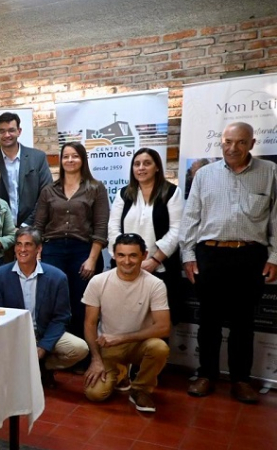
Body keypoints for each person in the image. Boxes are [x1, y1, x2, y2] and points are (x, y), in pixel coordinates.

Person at [180, 121, 277, 404]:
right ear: (220, 142)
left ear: (251, 143)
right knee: (208, 321)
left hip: (250, 257)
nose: (233, 148)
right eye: (227, 141)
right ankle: (206, 375)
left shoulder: (270, 173)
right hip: (210, 255)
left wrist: (274, 257)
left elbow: (275, 219)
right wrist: (187, 256)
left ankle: (241, 380)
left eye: (240, 142)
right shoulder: (204, 174)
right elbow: (191, 217)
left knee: (243, 323)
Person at [0, 228, 89, 387]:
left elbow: (61, 317)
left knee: (79, 349)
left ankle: (44, 366)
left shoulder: (57, 277)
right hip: (15, 334)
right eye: (19, 244)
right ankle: (27, 368)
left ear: (39, 248)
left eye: (28, 245)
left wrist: (43, 348)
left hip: (45, 333)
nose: (22, 249)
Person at [81, 233, 171, 412]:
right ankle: (121, 372)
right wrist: (96, 359)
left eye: (133, 255)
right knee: (95, 394)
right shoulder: (98, 281)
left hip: (139, 345)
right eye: (121, 255)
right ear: (114, 255)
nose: (127, 261)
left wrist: (121, 338)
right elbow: (89, 324)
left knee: (159, 347)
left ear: (144, 256)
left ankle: (140, 389)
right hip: (108, 347)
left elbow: (164, 327)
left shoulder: (155, 284)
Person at [33, 142, 109, 337]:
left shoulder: (96, 188)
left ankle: (81, 354)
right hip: (53, 252)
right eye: (66, 156)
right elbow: (39, 226)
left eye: (74, 156)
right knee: (53, 303)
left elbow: (101, 227)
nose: (70, 160)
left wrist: (92, 258)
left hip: (83, 252)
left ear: (83, 159)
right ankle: (53, 351)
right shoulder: (49, 190)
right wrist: (38, 254)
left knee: (81, 304)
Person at [108, 147, 184, 323]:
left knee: (157, 322)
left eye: (147, 163)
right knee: (126, 319)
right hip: (125, 268)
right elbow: (113, 227)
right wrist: (122, 258)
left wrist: (154, 260)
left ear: (157, 167)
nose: (141, 168)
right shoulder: (123, 194)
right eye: (137, 164)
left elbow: (177, 229)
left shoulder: (171, 192)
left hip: (159, 267)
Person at [0, 111, 52, 227]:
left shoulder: (37, 158)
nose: (7, 135)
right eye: (2, 131)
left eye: (11, 130)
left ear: (19, 131)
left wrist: (27, 224)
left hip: (32, 229)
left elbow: (46, 194)